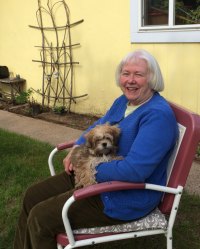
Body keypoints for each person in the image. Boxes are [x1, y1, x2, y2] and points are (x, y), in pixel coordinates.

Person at [14, 49, 178, 249]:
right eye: (126, 73)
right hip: (97, 176)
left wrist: (87, 166)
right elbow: (98, 124)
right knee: (32, 195)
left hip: (123, 197)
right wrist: (77, 147)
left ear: (152, 79)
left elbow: (135, 171)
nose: (130, 80)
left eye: (138, 74)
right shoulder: (124, 101)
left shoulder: (157, 117)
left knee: (41, 218)